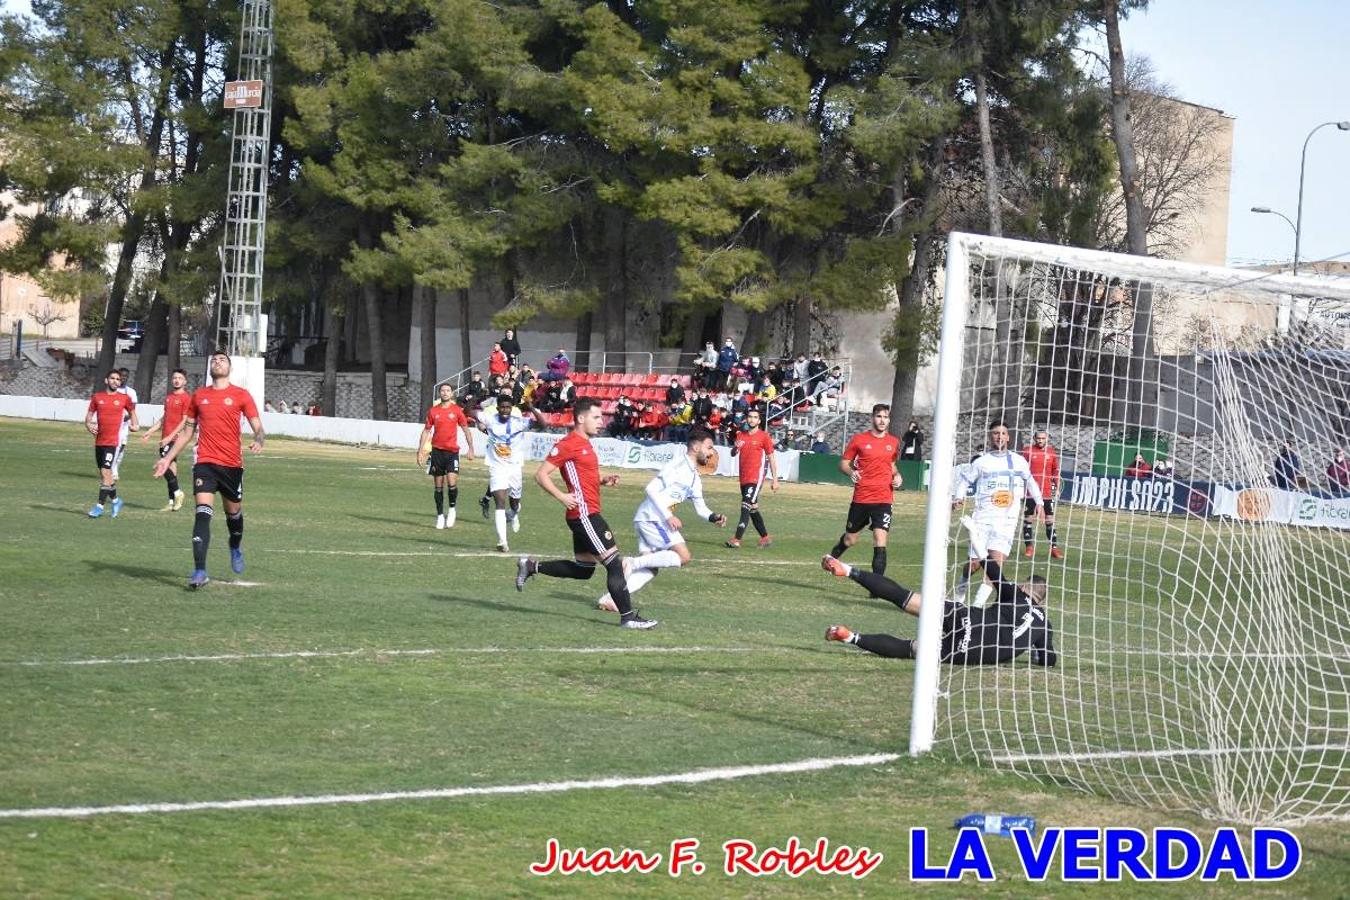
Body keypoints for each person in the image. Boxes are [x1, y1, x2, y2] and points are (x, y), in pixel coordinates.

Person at [515, 398, 656, 629]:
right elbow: (541, 475)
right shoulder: (568, 443)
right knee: (614, 564)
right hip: (585, 514)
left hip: (585, 513)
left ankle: (531, 566)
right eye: (596, 417)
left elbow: (581, 477)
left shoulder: (586, 443)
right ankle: (628, 617)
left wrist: (602, 480)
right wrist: (561, 496)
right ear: (581, 418)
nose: (601, 421)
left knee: (584, 570)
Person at [820, 555, 1057, 667]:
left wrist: (981, 549)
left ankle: (849, 570)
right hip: (973, 653)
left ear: (1024, 587)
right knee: (910, 649)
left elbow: (995, 574)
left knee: (905, 597)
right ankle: (850, 637)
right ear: (1041, 600)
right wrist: (1033, 649)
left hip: (968, 618)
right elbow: (1048, 659)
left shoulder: (1015, 594)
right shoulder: (1044, 623)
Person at [152, 351, 264, 588]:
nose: (217, 362)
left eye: (222, 360)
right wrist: (167, 458)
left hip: (232, 465)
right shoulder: (199, 396)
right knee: (202, 513)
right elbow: (187, 433)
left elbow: (258, 426)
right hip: (204, 463)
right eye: (214, 360)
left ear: (230, 368)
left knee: (233, 514)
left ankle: (235, 546)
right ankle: (200, 571)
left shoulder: (241, 395)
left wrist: (259, 439)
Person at [596, 430, 727, 612]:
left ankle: (611, 599)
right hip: (653, 518)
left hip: (651, 519)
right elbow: (651, 489)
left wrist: (714, 517)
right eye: (709, 447)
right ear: (696, 447)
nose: (712, 452)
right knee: (683, 556)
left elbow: (701, 508)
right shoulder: (678, 465)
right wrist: (668, 516)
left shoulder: (694, 477)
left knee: (651, 568)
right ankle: (631, 563)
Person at [952, 422, 1043, 608]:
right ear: (990, 437)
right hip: (983, 518)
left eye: (1003, 433)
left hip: (1007, 520)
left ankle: (976, 606)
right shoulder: (981, 462)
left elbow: (1031, 481)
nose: (999, 437)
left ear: (1008, 437)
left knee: (996, 563)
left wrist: (1039, 502)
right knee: (975, 563)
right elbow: (965, 481)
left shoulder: (1018, 461)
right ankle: (961, 587)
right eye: (995, 433)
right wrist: (958, 497)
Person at [826, 404, 901, 575]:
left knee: (880, 539)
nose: (882, 421)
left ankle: (878, 587)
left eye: (886, 417)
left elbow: (891, 465)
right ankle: (831, 558)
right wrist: (851, 472)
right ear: (872, 418)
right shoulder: (859, 440)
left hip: (884, 498)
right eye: (879, 416)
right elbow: (843, 464)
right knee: (850, 539)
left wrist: (898, 476)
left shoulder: (893, 442)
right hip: (862, 498)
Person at [476, 392, 544, 552]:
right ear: (497, 408)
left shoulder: (518, 422)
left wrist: (531, 408)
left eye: (508, 407)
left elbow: (542, 425)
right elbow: (468, 412)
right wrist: (474, 400)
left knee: (514, 503)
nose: (505, 410)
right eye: (502, 407)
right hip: (497, 466)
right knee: (499, 502)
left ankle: (514, 514)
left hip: (514, 467)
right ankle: (502, 542)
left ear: (511, 408)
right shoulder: (490, 419)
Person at [416, 382, 477, 529]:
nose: (444, 393)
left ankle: (452, 509)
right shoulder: (433, 411)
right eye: (442, 390)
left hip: (452, 452)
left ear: (452, 394)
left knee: (451, 483)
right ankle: (439, 516)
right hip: (437, 452)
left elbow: (466, 430)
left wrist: (471, 448)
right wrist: (420, 450)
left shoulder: (457, 411)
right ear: (439, 393)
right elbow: (426, 430)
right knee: (438, 486)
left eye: (447, 390)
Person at [85, 369, 138, 518]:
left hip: (114, 442)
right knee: (105, 476)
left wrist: (135, 424)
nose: (115, 381)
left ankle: (99, 506)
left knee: (106, 471)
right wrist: (89, 426)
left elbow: (133, 413)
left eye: (118, 379)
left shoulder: (124, 398)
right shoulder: (97, 397)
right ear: (106, 380)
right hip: (99, 442)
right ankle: (116, 500)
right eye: (113, 378)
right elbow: (88, 418)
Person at [139, 367, 191, 511]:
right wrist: (149, 431)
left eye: (180, 378)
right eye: (174, 378)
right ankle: (171, 502)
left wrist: (171, 435)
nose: (176, 380)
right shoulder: (169, 397)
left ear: (185, 381)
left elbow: (184, 421)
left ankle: (178, 493)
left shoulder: (186, 398)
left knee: (164, 466)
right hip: (165, 438)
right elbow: (164, 419)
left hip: (174, 439)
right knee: (171, 472)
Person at [727, 407, 778, 548]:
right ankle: (765, 538)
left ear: (759, 420)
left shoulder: (764, 436)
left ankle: (737, 539)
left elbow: (772, 458)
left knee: (745, 505)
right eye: (750, 417)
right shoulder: (741, 435)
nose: (752, 419)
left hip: (756, 477)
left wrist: (775, 480)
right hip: (744, 477)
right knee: (753, 507)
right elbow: (733, 453)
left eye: (755, 417)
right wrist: (735, 448)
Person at [1021, 429, 1064, 560]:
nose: (1040, 440)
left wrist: (1056, 486)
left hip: (1046, 492)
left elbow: (1055, 471)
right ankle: (1029, 547)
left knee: (1049, 519)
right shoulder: (1027, 451)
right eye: (1038, 438)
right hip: (1030, 492)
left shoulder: (1051, 452)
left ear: (1047, 439)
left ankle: (1054, 548)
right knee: (1029, 518)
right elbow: (1021, 470)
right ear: (1034, 438)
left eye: (1043, 438)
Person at [111, 366, 138, 482]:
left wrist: (130, 419)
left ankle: (115, 467)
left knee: (121, 446)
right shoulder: (112, 390)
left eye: (126, 376)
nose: (123, 378)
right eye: (121, 376)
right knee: (111, 446)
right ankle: (110, 469)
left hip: (124, 425)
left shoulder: (131, 392)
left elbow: (133, 410)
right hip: (112, 424)